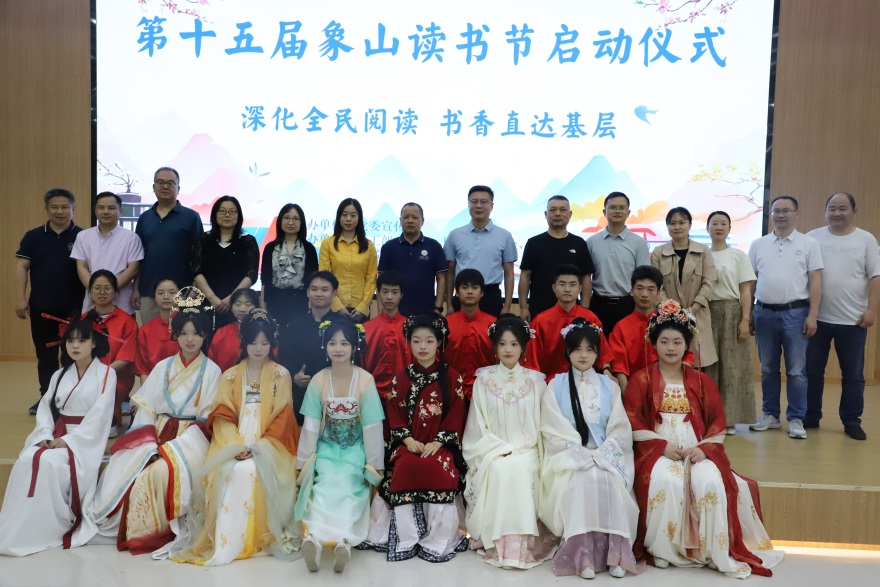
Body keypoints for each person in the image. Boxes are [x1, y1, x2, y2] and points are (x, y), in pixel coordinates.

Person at [623, 300, 783, 577]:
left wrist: (705, 449)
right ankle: (662, 550)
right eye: (664, 342)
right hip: (657, 448)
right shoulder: (641, 379)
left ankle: (708, 549)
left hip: (696, 447)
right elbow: (632, 419)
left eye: (677, 342)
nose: (670, 348)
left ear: (687, 345)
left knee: (710, 482)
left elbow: (718, 421)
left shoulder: (702, 381)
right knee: (666, 482)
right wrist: (661, 446)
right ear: (654, 344)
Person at [89, 287, 221, 554]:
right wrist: (147, 444)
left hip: (191, 441)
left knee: (159, 473)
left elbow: (206, 420)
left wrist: (172, 448)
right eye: (183, 333)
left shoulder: (213, 371)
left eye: (196, 333)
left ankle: (154, 532)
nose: (190, 339)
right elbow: (147, 409)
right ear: (175, 334)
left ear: (205, 335)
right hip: (156, 433)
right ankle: (124, 524)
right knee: (126, 468)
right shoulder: (163, 367)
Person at [170, 310, 300, 565]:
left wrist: (260, 447)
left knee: (251, 470)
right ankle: (227, 539)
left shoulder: (281, 375)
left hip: (270, 443)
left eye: (264, 343)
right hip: (235, 441)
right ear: (244, 342)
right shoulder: (230, 375)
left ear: (272, 344)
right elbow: (222, 416)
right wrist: (234, 446)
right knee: (229, 470)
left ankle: (257, 537)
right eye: (253, 342)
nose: (259, 348)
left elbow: (283, 417)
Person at [0, 316, 116, 556]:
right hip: (56, 435)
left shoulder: (107, 374)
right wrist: (43, 434)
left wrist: (70, 441)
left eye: (82, 340)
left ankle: (51, 526)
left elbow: (100, 415)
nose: (76, 346)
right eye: (71, 341)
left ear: (94, 343)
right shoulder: (59, 375)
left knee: (49, 463)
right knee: (26, 458)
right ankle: (20, 525)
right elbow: (46, 410)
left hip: (84, 443)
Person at [539, 319, 643, 579]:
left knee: (608, 480)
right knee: (583, 480)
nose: (583, 355)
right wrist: (580, 454)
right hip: (570, 457)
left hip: (606, 455)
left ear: (598, 353)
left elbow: (620, 427)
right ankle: (583, 556)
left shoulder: (610, 386)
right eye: (577, 349)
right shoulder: (555, 385)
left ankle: (617, 554)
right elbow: (551, 428)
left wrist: (603, 453)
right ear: (567, 352)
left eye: (589, 349)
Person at [463, 315, 568, 569]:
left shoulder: (536, 381)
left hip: (527, 450)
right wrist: (496, 449)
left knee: (519, 469)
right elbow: (476, 425)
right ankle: (500, 544)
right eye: (502, 344)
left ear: (523, 347)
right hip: (493, 449)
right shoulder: (483, 380)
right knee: (500, 469)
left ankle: (520, 546)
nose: (508, 349)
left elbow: (546, 424)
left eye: (513, 344)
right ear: (495, 347)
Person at [363, 313, 469, 562]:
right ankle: (406, 536)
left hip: (439, 445)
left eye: (429, 341)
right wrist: (407, 440)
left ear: (439, 343)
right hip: (408, 444)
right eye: (417, 341)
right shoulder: (400, 377)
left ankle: (438, 538)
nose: (423, 347)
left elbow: (457, 413)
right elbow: (393, 413)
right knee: (405, 467)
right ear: (409, 343)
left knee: (439, 468)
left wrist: (438, 441)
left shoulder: (452, 377)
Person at [295, 318, 385, 573]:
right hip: (326, 448)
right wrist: (303, 462)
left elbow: (372, 426)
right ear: (325, 346)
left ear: (354, 347)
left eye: (344, 343)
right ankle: (314, 538)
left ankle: (344, 540)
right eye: (333, 343)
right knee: (324, 483)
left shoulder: (365, 380)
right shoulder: (319, 380)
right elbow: (311, 426)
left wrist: (374, 463)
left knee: (349, 483)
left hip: (356, 449)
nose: (338, 348)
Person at [806, 192, 880, 440]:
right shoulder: (813, 237)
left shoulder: (866, 239)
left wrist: (872, 309)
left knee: (853, 375)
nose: (837, 213)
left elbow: (876, 276)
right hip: (816, 318)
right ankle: (811, 416)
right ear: (825, 211)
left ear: (854, 211)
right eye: (832, 208)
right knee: (812, 371)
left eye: (842, 208)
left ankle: (851, 420)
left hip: (853, 321)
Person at [748, 196, 823, 440]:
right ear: (770, 214)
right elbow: (751, 282)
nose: (781, 215)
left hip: (796, 313)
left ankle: (796, 419)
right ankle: (770, 415)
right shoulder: (758, 244)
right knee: (768, 369)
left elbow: (815, 281)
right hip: (763, 313)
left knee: (796, 371)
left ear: (796, 214)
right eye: (776, 211)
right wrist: (748, 314)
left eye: (786, 211)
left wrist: (813, 315)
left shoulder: (809, 244)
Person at [15, 188, 85, 414]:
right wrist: (20, 298)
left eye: (65, 207)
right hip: (41, 308)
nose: (59, 211)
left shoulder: (83, 236)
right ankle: (47, 397)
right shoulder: (33, 236)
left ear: (73, 209)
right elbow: (22, 267)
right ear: (46, 209)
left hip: (75, 308)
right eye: (54, 207)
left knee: (72, 355)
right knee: (45, 356)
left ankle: (70, 398)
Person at [706, 212, 758, 434]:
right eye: (714, 223)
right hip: (706, 312)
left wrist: (745, 319)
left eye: (723, 223)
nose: (719, 227)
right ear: (707, 228)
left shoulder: (738, 256)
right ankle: (709, 417)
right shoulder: (702, 255)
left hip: (732, 311)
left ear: (729, 228)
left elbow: (745, 291)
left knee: (732, 366)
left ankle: (729, 419)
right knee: (708, 365)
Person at [607, 266, 694, 393]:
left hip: (669, 391)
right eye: (639, 288)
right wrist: (629, 398)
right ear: (631, 291)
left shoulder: (669, 323)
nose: (644, 294)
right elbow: (619, 369)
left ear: (658, 293)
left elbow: (687, 358)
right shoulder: (620, 328)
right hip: (634, 391)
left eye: (651, 289)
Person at [134, 167, 204, 324]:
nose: (165, 186)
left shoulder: (191, 217)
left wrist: (194, 289)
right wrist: (136, 288)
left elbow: (199, 257)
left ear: (178, 188)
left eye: (170, 183)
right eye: (160, 182)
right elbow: (138, 258)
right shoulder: (144, 218)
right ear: (153, 187)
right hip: (149, 291)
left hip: (183, 292)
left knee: (182, 334)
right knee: (151, 335)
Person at [651, 207, 718, 369]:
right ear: (667, 226)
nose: (677, 227)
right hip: (667, 317)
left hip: (697, 314)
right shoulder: (659, 252)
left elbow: (709, 282)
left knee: (697, 367)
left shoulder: (703, 251)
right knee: (670, 363)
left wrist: (692, 310)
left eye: (682, 222)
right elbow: (656, 285)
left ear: (690, 225)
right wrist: (672, 310)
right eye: (672, 223)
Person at [526, 264, 611, 382]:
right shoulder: (540, 321)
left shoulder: (590, 318)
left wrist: (606, 370)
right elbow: (532, 359)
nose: (567, 289)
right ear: (554, 288)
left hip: (585, 382)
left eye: (572, 285)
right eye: (562, 284)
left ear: (580, 288)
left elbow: (603, 352)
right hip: (550, 383)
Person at [444, 185, 518, 317]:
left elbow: (509, 274)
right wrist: (449, 304)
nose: (478, 206)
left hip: (491, 297)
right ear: (468, 205)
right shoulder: (455, 235)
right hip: (462, 295)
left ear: (492, 206)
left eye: (484, 202)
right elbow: (449, 273)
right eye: (474, 201)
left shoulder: (504, 236)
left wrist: (507, 306)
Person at [519, 195, 595, 321]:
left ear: (570, 214)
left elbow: (586, 277)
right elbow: (525, 276)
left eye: (562, 210)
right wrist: (523, 308)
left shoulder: (579, 243)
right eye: (553, 210)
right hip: (539, 309)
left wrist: (585, 308)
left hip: (572, 311)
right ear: (546, 214)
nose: (558, 214)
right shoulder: (533, 243)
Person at [278, 270, 341, 423]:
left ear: (334, 294)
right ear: (307, 292)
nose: (319, 294)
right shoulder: (294, 326)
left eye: (324, 290)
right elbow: (284, 358)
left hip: (336, 394)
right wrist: (294, 376)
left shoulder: (343, 326)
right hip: (301, 393)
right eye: (314, 289)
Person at [587, 192, 651, 334]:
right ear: (604, 212)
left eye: (622, 208)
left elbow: (643, 278)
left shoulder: (638, 243)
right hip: (598, 304)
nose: (617, 211)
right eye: (613, 207)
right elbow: (586, 276)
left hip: (628, 305)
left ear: (628, 212)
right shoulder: (591, 242)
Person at [71, 191, 143, 316]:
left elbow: (133, 269)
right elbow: (81, 267)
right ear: (95, 211)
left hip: (122, 305)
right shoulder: (83, 236)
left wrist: (109, 290)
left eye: (111, 208)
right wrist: (95, 291)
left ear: (120, 211)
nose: (105, 211)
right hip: (92, 306)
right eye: (101, 208)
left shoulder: (131, 237)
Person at [193, 195, 259, 330]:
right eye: (222, 211)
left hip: (238, 304)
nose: (227, 215)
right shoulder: (203, 240)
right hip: (207, 302)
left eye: (232, 211)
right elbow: (196, 270)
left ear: (239, 215)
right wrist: (213, 299)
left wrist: (232, 299)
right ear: (215, 214)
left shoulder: (248, 241)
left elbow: (251, 273)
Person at [85, 270, 138, 438]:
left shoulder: (127, 321)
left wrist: (102, 373)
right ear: (90, 291)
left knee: (107, 386)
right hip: (88, 373)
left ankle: (111, 422)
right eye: (97, 288)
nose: (102, 292)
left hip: (116, 375)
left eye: (107, 288)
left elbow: (126, 357)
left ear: (115, 291)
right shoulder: (84, 320)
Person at [378, 202, 448, 316]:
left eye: (414, 217)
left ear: (422, 221)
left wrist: (438, 308)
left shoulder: (434, 246)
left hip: (426, 312)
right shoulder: (389, 247)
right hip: (395, 313)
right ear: (400, 220)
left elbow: (441, 279)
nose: (410, 221)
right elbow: (380, 280)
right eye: (406, 217)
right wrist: (381, 310)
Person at [260, 203, 319, 332]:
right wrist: (263, 308)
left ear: (301, 222)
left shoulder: (309, 249)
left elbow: (312, 282)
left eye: (295, 219)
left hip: (300, 303)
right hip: (275, 302)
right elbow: (265, 280)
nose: (290, 222)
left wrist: (312, 308)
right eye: (286, 218)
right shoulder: (270, 248)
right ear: (280, 221)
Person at [319, 198, 378, 322]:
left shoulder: (369, 246)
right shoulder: (327, 244)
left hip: (360, 311)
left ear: (359, 218)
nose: (348, 219)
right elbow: (324, 277)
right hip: (333, 309)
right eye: (344, 215)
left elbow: (371, 279)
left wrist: (363, 307)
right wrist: (337, 306)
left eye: (353, 215)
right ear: (339, 217)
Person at [445, 269, 495, 399]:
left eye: (475, 287)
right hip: (451, 392)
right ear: (457, 292)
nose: (470, 292)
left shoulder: (493, 325)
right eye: (465, 287)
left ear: (482, 292)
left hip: (487, 392)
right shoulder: (446, 324)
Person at [362, 271, 409, 399]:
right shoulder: (366, 329)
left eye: (394, 292)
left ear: (401, 295)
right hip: (371, 395)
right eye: (385, 292)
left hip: (405, 395)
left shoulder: (411, 328)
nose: (389, 297)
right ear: (378, 293)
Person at [134, 278, 180, 382]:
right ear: (154, 297)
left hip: (184, 383)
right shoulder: (146, 330)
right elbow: (143, 370)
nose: (166, 296)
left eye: (172, 292)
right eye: (160, 293)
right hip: (154, 383)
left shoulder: (189, 326)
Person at [208, 287, 259, 373]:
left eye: (248, 305)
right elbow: (211, 362)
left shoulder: (263, 332)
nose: (242, 309)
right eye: (238, 304)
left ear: (256, 307)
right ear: (231, 307)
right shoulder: (222, 332)